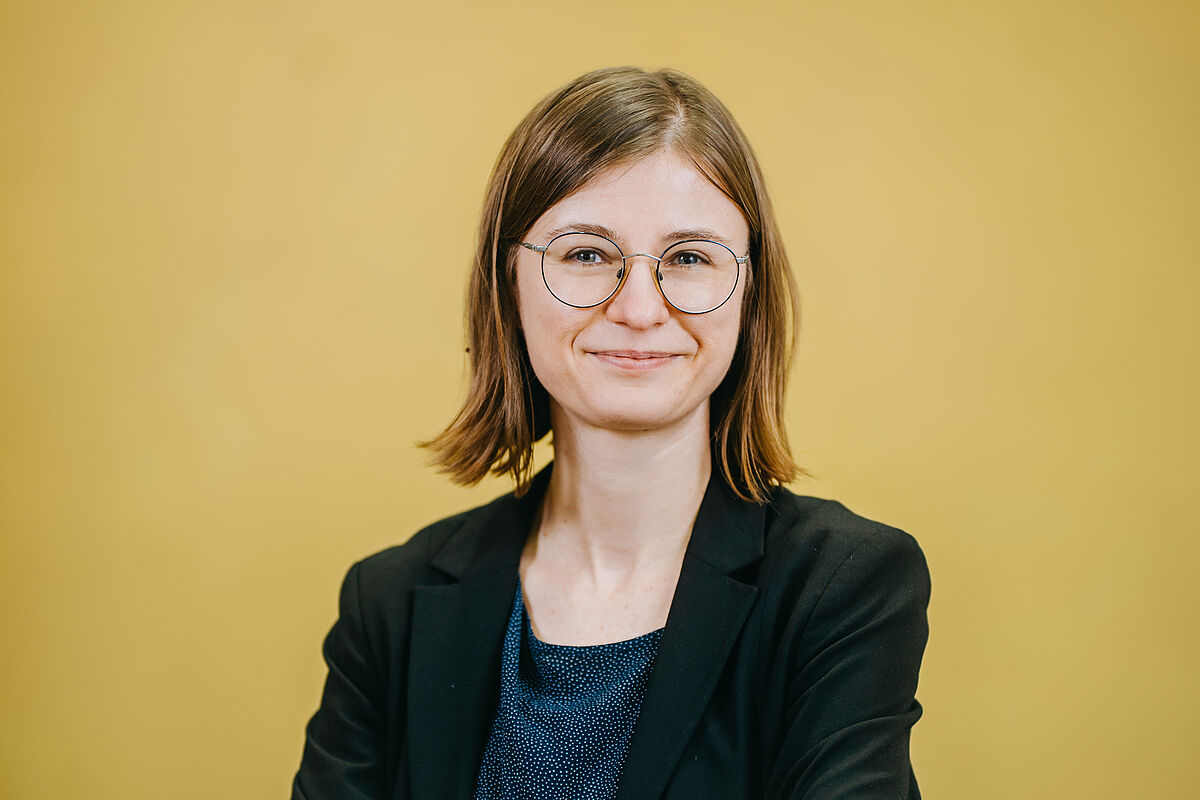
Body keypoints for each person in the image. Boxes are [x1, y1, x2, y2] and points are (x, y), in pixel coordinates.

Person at [292, 66, 930, 800]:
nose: (639, 309)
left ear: (749, 293)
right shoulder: (389, 603)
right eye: (586, 254)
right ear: (509, 284)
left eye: (689, 258)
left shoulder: (842, 587)